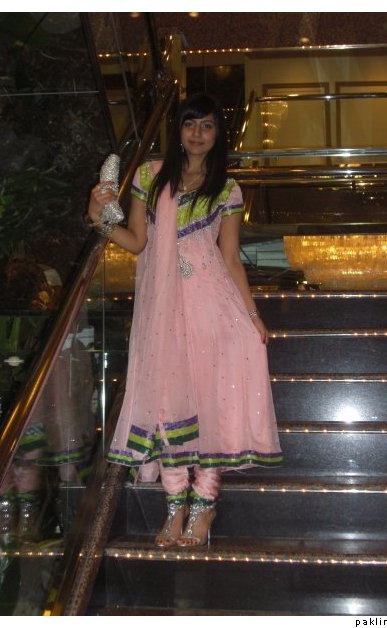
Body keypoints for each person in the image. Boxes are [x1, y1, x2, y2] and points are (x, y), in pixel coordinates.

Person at [86, 93, 283, 548]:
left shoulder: (227, 189)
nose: (197, 133)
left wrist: (252, 316)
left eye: (207, 125)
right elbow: (137, 242)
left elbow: (229, 259)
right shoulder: (150, 176)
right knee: (165, 402)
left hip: (211, 308)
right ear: (177, 130)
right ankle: (174, 505)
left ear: (218, 135)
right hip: (162, 312)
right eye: (190, 123)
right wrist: (98, 218)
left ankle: (204, 505)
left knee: (211, 403)